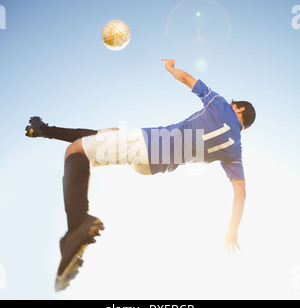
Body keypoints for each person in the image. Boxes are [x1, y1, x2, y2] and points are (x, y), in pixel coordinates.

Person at [25, 59, 256, 291]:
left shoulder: (220, 105)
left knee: (75, 150)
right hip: (152, 167)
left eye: (233, 104)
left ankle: (77, 226)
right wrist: (232, 230)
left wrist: (170, 68)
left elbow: (187, 79)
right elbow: (241, 193)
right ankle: (44, 129)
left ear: (240, 109)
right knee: (110, 134)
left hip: (148, 144)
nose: (230, 104)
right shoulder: (234, 150)